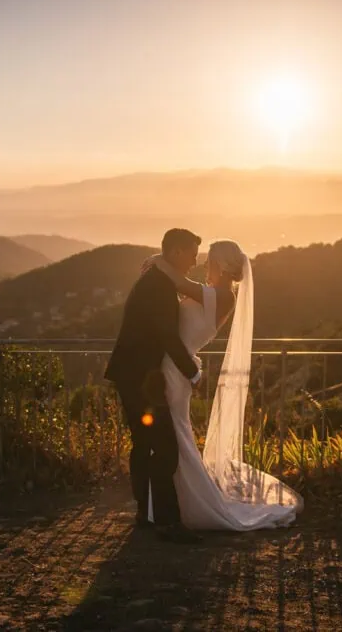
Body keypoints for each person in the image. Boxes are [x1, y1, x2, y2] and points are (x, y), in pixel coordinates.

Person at [141, 239, 302, 531]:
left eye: (210, 261)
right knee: (173, 437)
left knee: (175, 438)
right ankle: (171, 505)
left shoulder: (223, 296)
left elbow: (180, 282)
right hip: (173, 367)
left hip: (176, 372)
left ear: (223, 266)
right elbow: (179, 289)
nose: (206, 266)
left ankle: (191, 506)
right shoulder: (212, 294)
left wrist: (158, 260)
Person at [104, 228, 204, 543]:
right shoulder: (159, 286)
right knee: (163, 447)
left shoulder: (155, 280)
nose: (194, 260)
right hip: (141, 378)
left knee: (144, 444)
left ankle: (144, 512)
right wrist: (193, 372)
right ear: (175, 252)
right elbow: (166, 334)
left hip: (131, 374)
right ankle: (167, 522)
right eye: (191, 253)